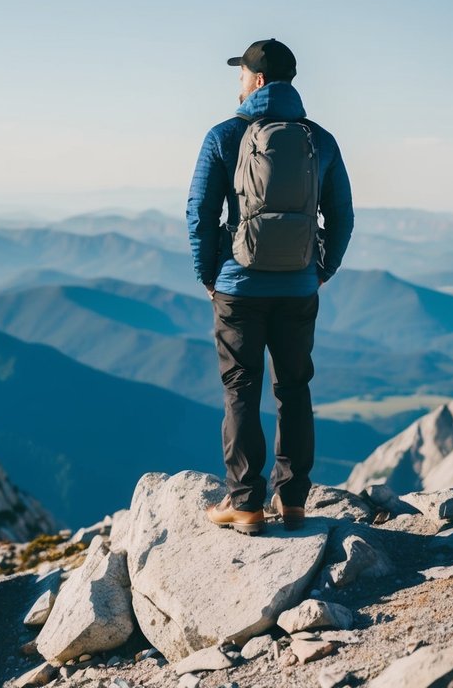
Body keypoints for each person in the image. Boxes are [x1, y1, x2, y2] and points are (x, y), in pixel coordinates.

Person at [186, 38, 354, 535]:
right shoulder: (319, 140)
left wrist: (208, 274)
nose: (237, 81)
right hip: (298, 285)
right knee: (294, 388)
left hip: (238, 286)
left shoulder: (222, 135)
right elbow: (341, 215)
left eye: (241, 74)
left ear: (258, 80)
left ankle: (246, 504)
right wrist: (321, 269)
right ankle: (294, 501)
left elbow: (200, 212)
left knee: (241, 388)